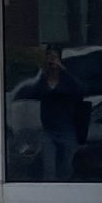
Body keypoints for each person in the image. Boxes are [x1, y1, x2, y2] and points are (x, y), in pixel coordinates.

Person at [33, 45, 90, 180]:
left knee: (66, 168)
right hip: (48, 131)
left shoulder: (68, 80)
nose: (52, 60)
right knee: (49, 169)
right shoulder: (43, 80)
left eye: (54, 57)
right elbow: (36, 92)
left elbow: (82, 90)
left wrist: (63, 69)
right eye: (49, 57)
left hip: (67, 130)